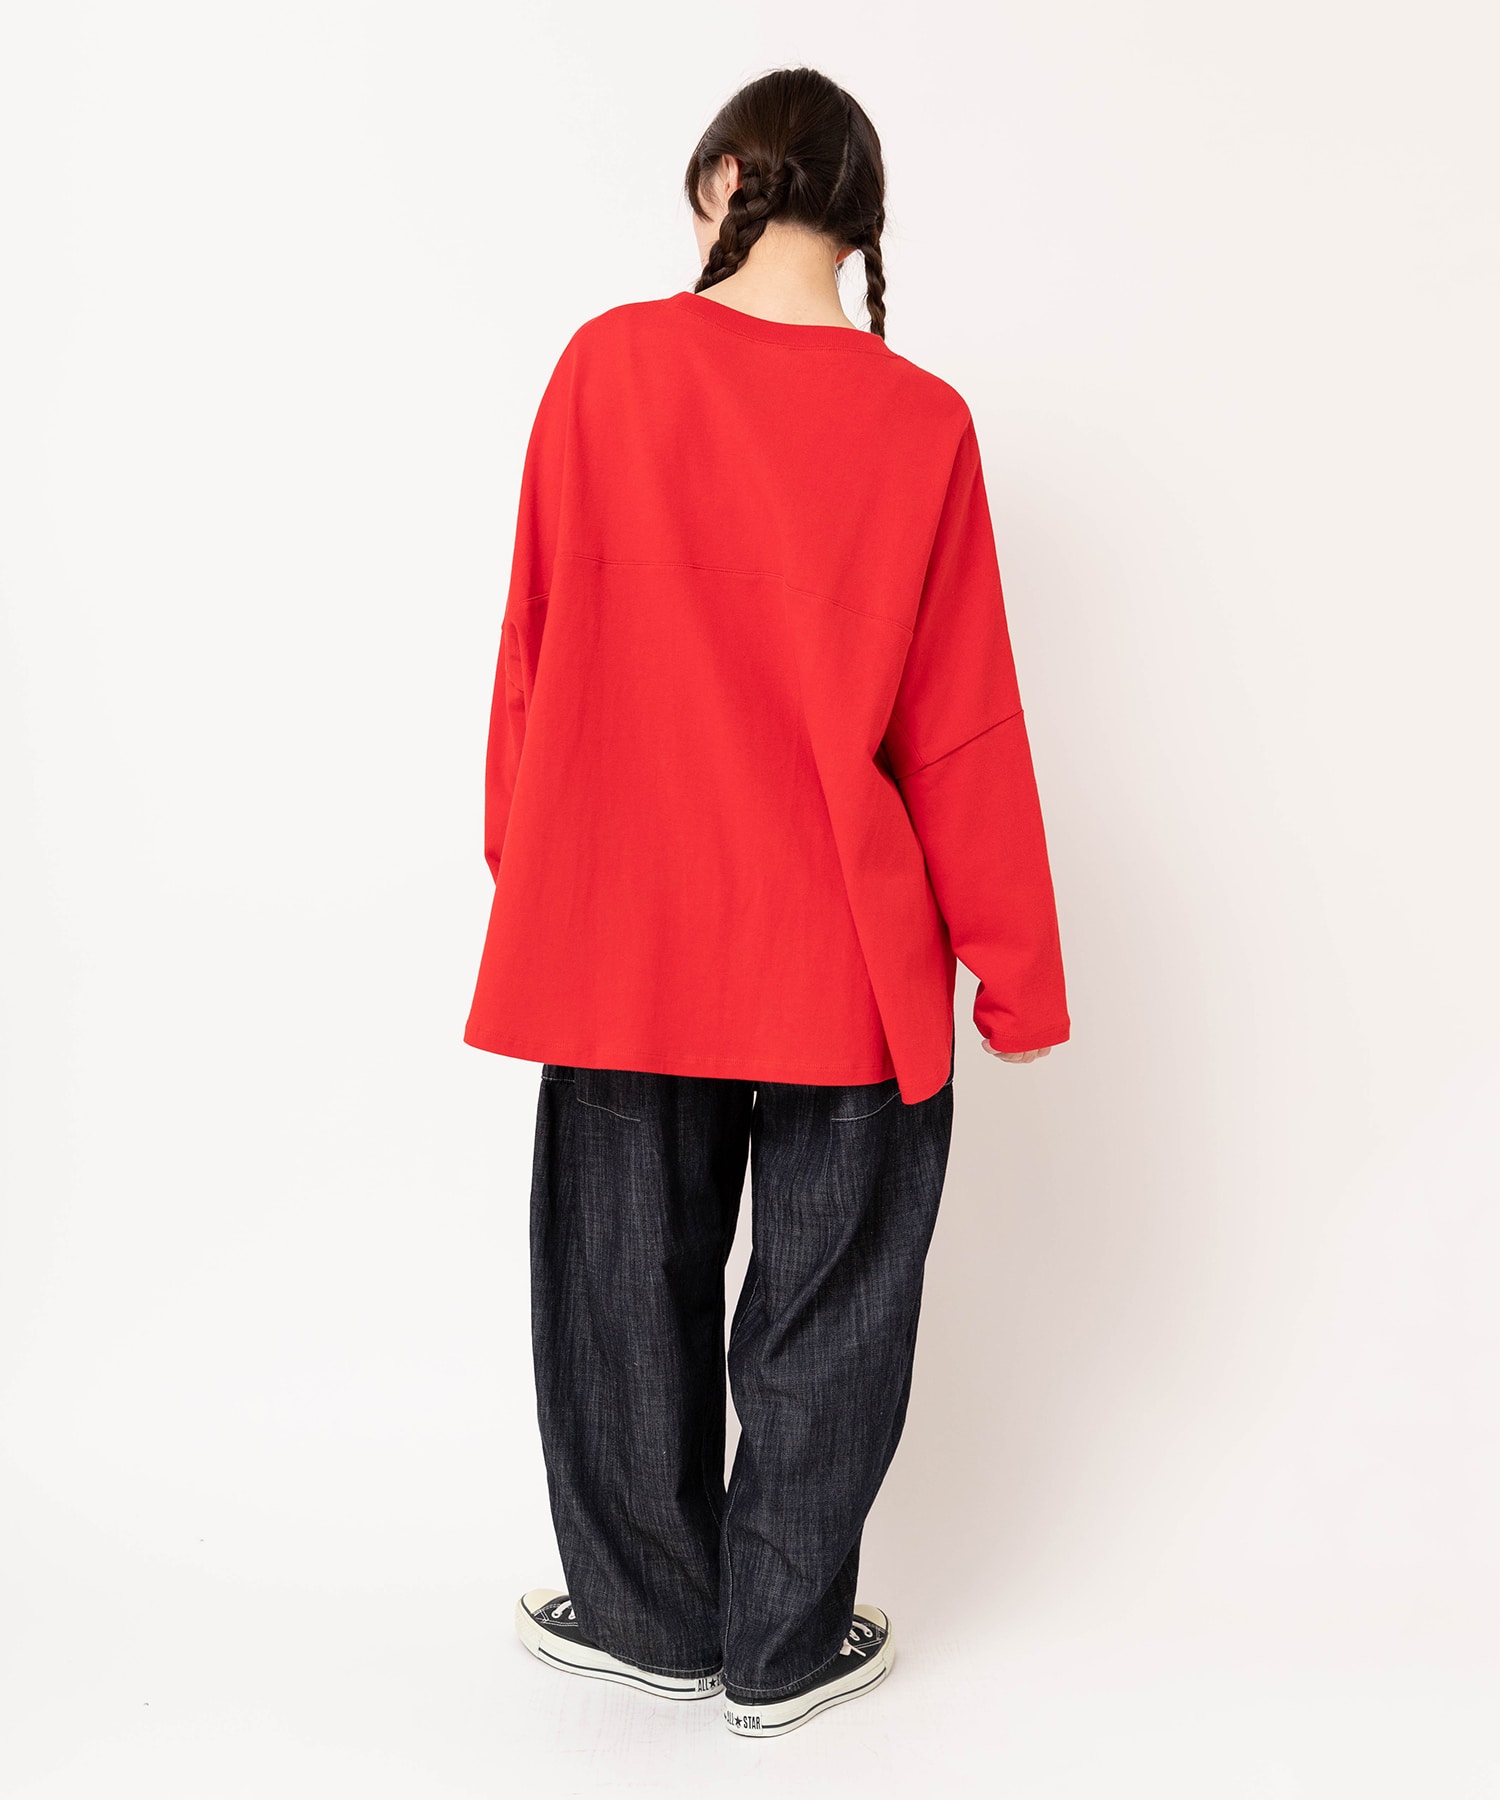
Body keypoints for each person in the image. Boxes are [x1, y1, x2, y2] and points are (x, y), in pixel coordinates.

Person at [464, 66, 1070, 1738]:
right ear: (861, 222)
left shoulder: (607, 367)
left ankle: (649, 1619)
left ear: (727, 178)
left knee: (616, 1284)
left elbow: (534, 651)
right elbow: (960, 725)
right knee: (832, 1299)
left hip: (622, 932)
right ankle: (785, 1646)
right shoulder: (921, 423)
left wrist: (534, 866)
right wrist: (1015, 975)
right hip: (840, 957)